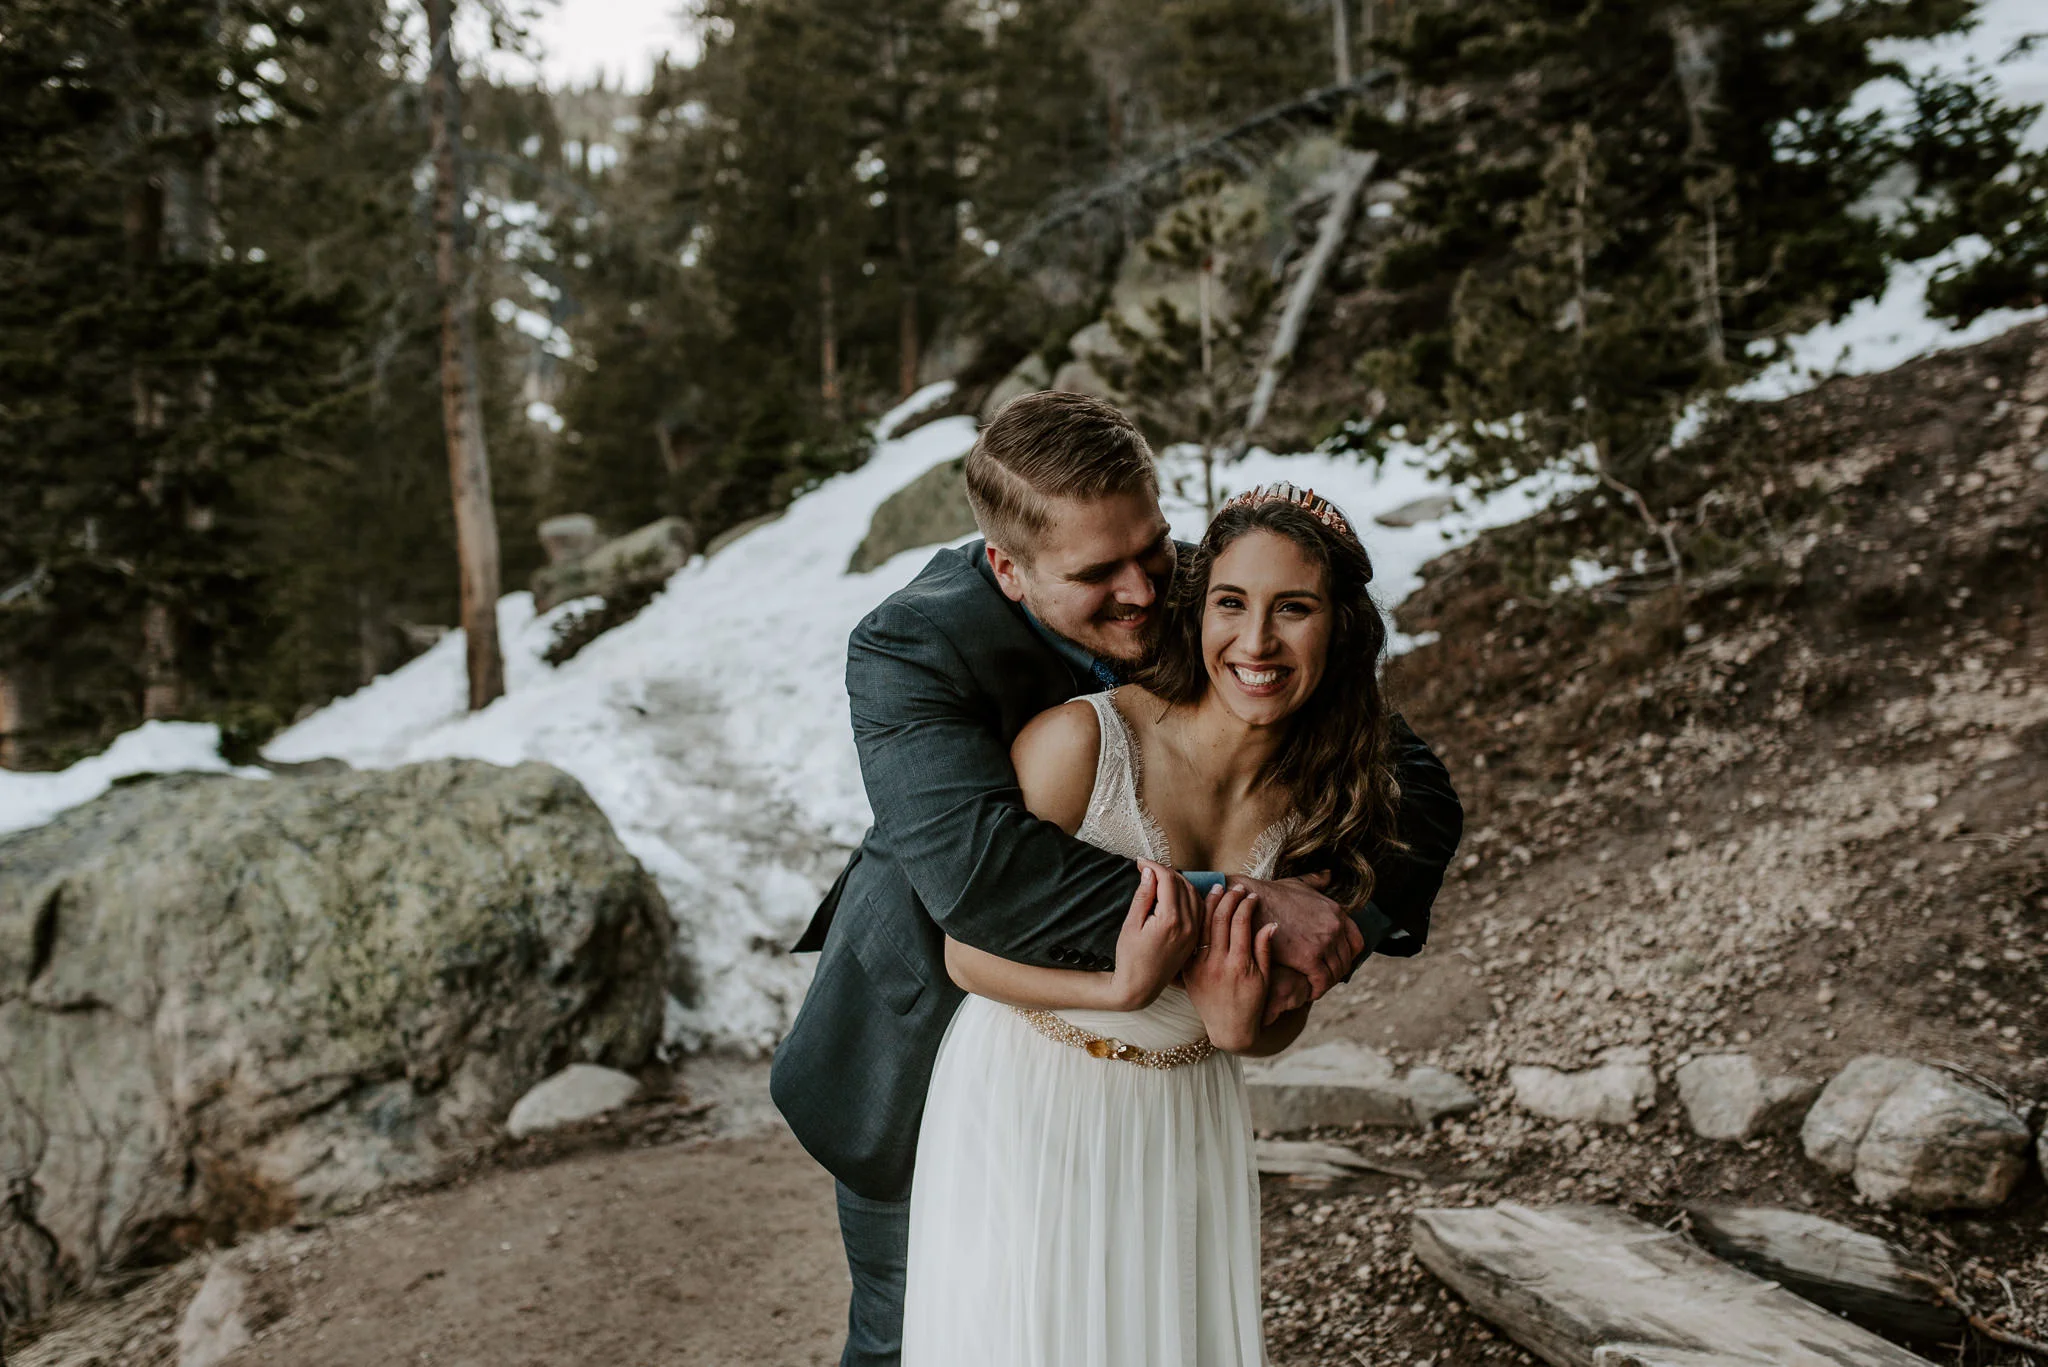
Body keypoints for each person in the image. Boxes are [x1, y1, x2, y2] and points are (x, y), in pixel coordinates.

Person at [768, 391, 1462, 1367]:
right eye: (1099, 573)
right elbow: (983, 880)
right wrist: (1242, 906)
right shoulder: (910, 645)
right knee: (914, 1332)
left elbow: (1412, 780)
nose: (1146, 592)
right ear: (1006, 568)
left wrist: (1329, 929)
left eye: (1155, 548)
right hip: (930, 1045)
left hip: (1159, 1087)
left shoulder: (1202, 592)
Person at [901, 480, 1399, 1366]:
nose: (1256, 641)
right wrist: (1120, 983)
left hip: (1186, 1110)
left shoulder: (1329, 803)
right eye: (1231, 604)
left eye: (1294, 608)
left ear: (1339, 626)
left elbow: (1281, 1005)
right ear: (1195, 610)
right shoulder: (1081, 746)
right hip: (1029, 1095)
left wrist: (1250, 1033)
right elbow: (967, 949)